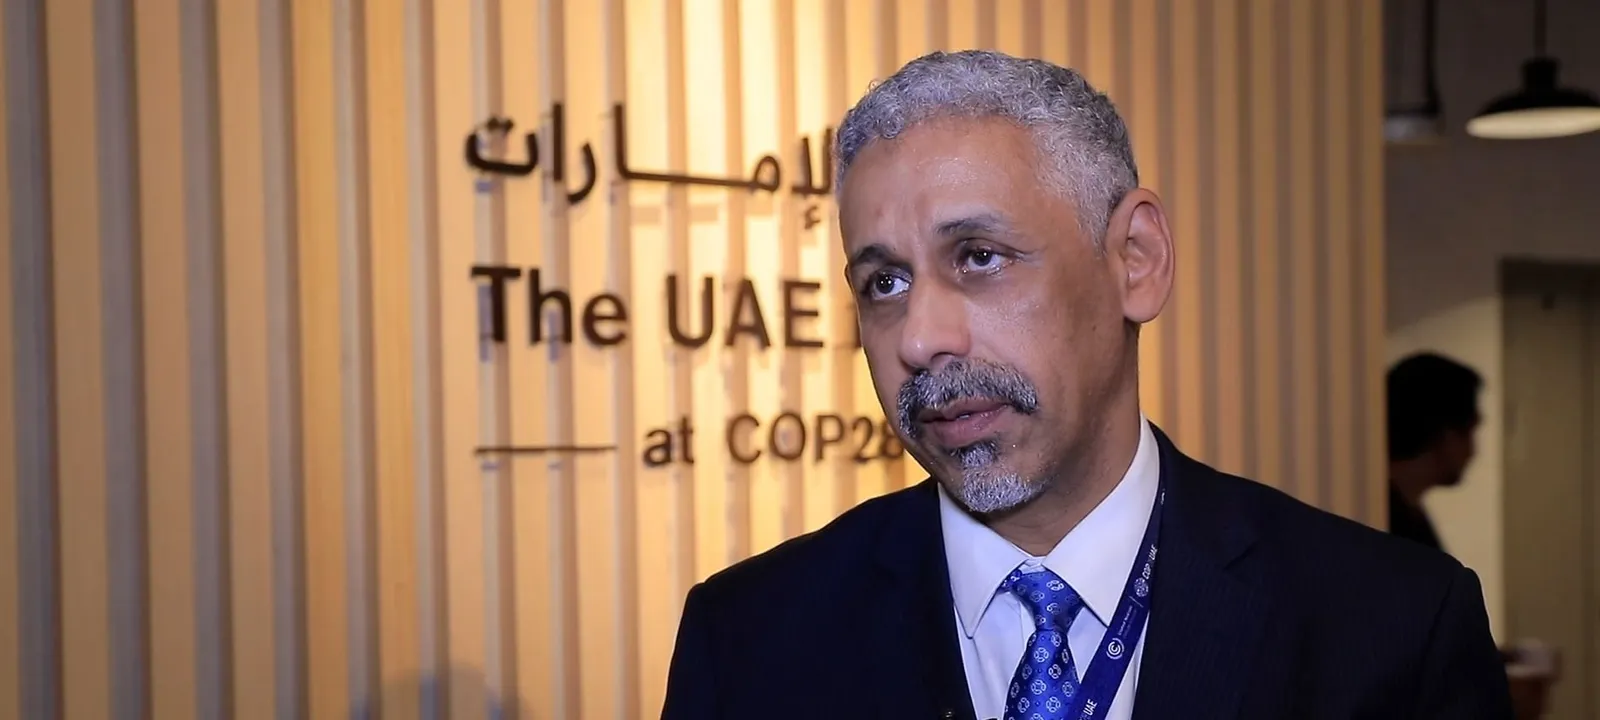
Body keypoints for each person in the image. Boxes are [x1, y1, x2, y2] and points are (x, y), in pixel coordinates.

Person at [660, 50, 1511, 720]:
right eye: (884, 282)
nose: (919, 338)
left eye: (978, 258)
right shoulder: (749, 641)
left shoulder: (1393, 629)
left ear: (1135, 261)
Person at [1385, 352, 1484, 553]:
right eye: (1469, 432)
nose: (1473, 452)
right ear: (1446, 435)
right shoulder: (1385, 519)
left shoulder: (1406, 513)